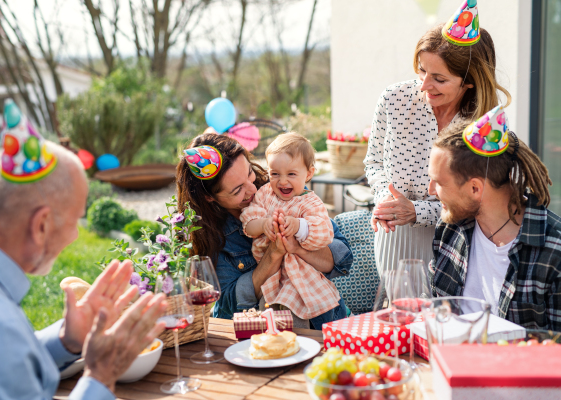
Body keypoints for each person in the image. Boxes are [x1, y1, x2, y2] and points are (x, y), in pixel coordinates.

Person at [0, 136, 167, 398]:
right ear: (41, 226)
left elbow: (1, 361)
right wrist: (100, 376)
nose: (75, 236)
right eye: (75, 221)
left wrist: (66, 339)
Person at [364, 0, 511, 275]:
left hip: (457, 241)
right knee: (398, 310)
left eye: (439, 79)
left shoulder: (483, 126)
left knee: (446, 314)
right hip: (393, 235)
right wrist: (388, 200)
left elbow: (479, 199)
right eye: (421, 70)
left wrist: (417, 212)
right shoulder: (394, 99)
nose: (424, 85)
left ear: (469, 81)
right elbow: (373, 164)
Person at [176, 133, 354, 329]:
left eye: (250, 173)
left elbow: (341, 256)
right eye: (237, 191)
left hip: (320, 319)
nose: (253, 189)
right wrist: (273, 254)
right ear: (210, 197)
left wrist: (297, 247)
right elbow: (228, 303)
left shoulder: (284, 188)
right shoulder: (210, 234)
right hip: (257, 330)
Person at [427, 106, 561, 330]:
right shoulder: (451, 229)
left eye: (439, 182)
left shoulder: (554, 250)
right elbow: (437, 316)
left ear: (474, 188)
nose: (431, 190)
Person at [239, 133, 340, 321]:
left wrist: (298, 226)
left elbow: (324, 233)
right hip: (271, 274)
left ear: (309, 174)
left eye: (291, 174)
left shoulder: (310, 202)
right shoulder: (265, 194)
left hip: (301, 275)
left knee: (300, 315)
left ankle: (309, 342)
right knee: (268, 318)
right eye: (275, 174)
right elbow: (248, 223)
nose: (282, 181)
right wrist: (263, 224)